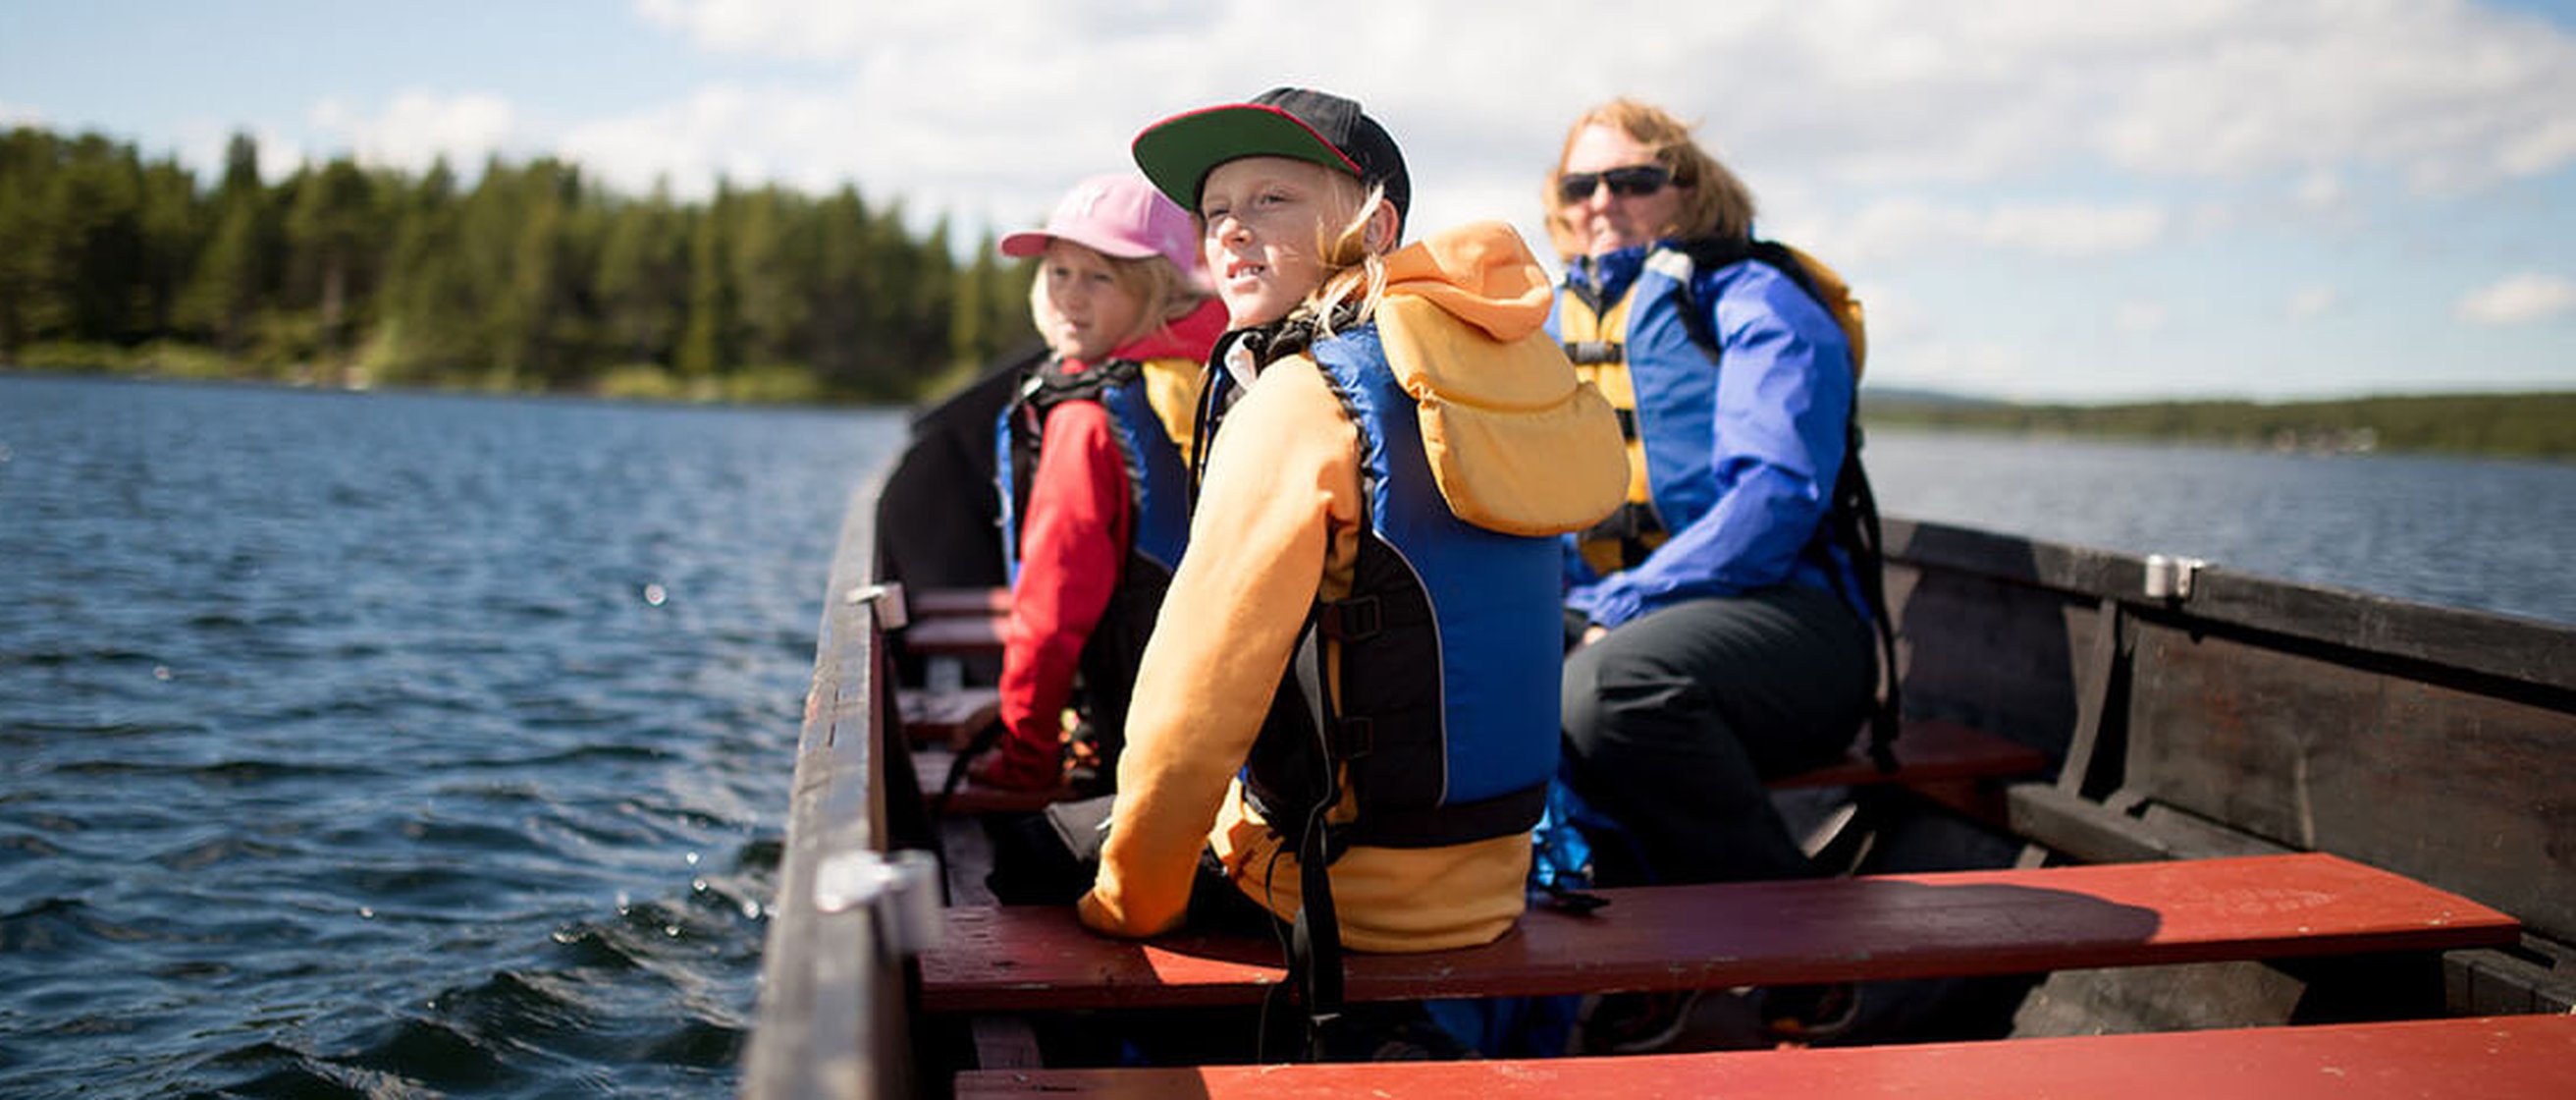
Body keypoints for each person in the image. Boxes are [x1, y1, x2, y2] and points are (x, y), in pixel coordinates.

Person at [1076, 86, 1626, 1005]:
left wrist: (1130, 906)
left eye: (1272, 200)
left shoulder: (1301, 400)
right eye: (1216, 212)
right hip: (1492, 884)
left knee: (1020, 863)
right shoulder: (1492, 370)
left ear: (1377, 225)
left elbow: (1190, 713)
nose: (1233, 232)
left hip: (1337, 895)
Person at [1542, 97, 1880, 1047]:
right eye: (1582, 184)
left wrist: (1617, 604)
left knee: (1612, 690)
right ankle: (1619, 934)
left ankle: (1803, 955)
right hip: (1620, 613)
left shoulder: (1753, 298)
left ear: (1689, 191)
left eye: (1634, 179)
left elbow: (1772, 502)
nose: (1603, 200)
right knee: (1469, 675)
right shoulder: (1548, 320)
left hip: (1788, 627)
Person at [969, 173, 1229, 793]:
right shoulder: (1214, 370)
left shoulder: (1084, 422)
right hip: (1214, 724)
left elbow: (1050, 609)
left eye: (1100, 277)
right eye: (1059, 273)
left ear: (1158, 292)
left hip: (1136, 740)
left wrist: (1025, 757)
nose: (1070, 299)